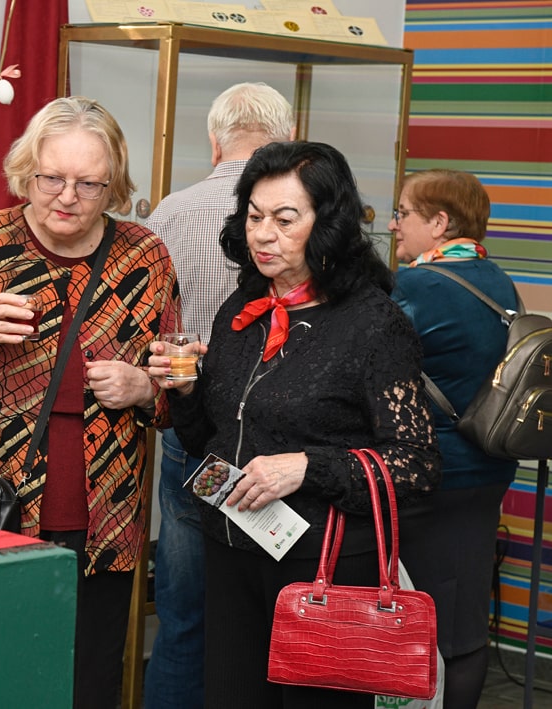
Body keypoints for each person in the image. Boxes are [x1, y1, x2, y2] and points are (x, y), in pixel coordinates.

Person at [0, 96, 182, 709]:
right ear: (28, 171)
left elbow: (180, 397)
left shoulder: (144, 257)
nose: (66, 197)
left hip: (101, 525)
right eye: (51, 178)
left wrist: (145, 388)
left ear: (112, 184)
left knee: (84, 686)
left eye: (88, 184)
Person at [148, 140, 442, 709]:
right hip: (232, 548)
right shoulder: (243, 306)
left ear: (327, 224)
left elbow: (418, 465)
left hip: (322, 566)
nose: (263, 235)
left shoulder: (371, 323)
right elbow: (208, 439)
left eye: (285, 220)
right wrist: (185, 392)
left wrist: (307, 467)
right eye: (255, 216)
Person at [143, 81, 294, 709]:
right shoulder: (307, 219)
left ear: (214, 141)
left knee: (184, 615)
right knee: (269, 621)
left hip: (194, 431)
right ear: (289, 140)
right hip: (282, 447)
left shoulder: (170, 214)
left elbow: (140, 330)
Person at [389, 169, 518, 708]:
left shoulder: (416, 286)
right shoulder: (498, 281)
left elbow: (370, 363)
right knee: (463, 625)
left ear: (440, 222)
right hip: (488, 471)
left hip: (429, 478)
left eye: (403, 213)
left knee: (413, 625)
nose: (393, 225)